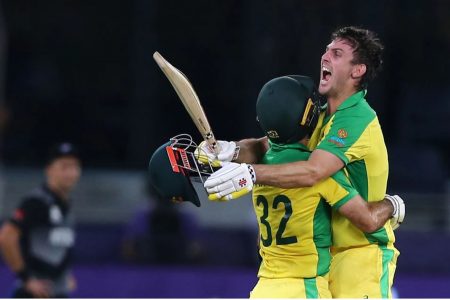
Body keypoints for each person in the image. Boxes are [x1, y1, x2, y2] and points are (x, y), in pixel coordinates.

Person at [201, 26, 400, 298]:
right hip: (324, 258)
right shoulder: (318, 114)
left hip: (360, 254)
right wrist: (231, 150)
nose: (325, 56)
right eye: (327, 50)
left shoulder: (356, 119)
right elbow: (265, 144)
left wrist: (251, 174)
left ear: (357, 71)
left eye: (337, 53)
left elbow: (314, 171)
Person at [0, 142, 81, 298]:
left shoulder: (66, 205)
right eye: (64, 167)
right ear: (49, 170)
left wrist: (65, 274)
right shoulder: (36, 202)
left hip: (58, 291)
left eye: (74, 167)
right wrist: (26, 279)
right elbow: (6, 237)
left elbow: (58, 246)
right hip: (35, 293)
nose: (71, 173)